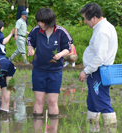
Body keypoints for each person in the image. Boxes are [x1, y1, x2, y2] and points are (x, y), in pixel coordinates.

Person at [78, 2, 118, 131]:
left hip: (99, 72)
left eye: (85, 18)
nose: (84, 21)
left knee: (102, 102)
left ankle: (111, 129)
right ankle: (92, 128)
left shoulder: (102, 31)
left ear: (94, 18)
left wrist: (86, 71)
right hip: (96, 72)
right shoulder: (105, 27)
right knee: (92, 102)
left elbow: (100, 57)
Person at [27, 8, 72, 118]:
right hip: (39, 70)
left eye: (42, 22)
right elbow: (30, 42)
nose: (40, 24)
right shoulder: (36, 31)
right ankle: (37, 127)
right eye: (38, 21)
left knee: (52, 101)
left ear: (50, 21)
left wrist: (60, 54)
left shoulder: (61, 32)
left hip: (55, 72)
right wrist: (30, 49)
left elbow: (68, 48)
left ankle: (53, 128)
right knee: (39, 100)